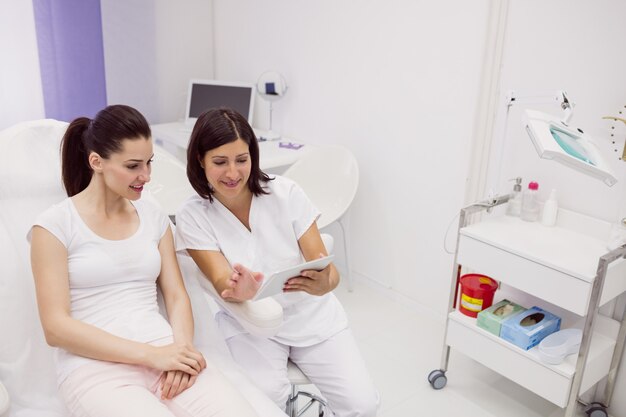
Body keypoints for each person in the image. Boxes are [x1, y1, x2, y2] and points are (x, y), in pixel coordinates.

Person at [29, 105, 258, 417]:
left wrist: (182, 353)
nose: (146, 177)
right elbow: (56, 327)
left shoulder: (153, 216)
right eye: (134, 166)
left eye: (149, 163)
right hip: (96, 370)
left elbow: (176, 296)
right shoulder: (54, 226)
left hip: (166, 352)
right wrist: (152, 356)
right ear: (96, 162)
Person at [175, 107, 379, 417]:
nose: (232, 173)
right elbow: (219, 279)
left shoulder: (286, 194)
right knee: (261, 403)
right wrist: (237, 289)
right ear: (200, 160)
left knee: (362, 406)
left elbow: (328, 270)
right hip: (251, 323)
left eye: (241, 160)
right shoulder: (193, 214)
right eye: (220, 162)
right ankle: (297, 406)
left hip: (313, 318)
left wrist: (326, 282)